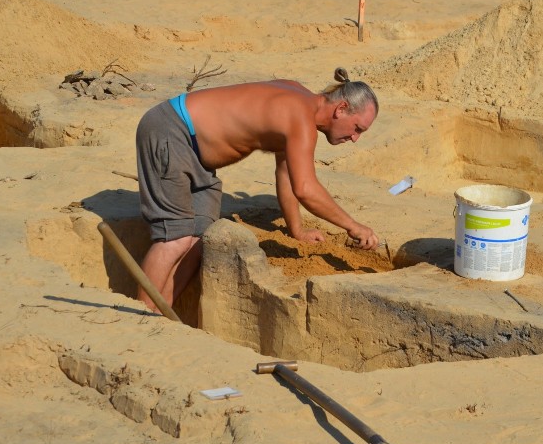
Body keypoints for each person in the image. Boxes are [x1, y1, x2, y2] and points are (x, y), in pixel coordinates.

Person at [134, 69, 380, 313]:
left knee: (200, 239)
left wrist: (297, 230)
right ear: (341, 108)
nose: (355, 138)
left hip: (198, 155)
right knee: (175, 239)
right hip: (172, 131)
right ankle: (140, 317)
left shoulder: (299, 104)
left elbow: (286, 173)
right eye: (358, 128)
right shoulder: (300, 115)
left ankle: (162, 314)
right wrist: (353, 226)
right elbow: (306, 189)